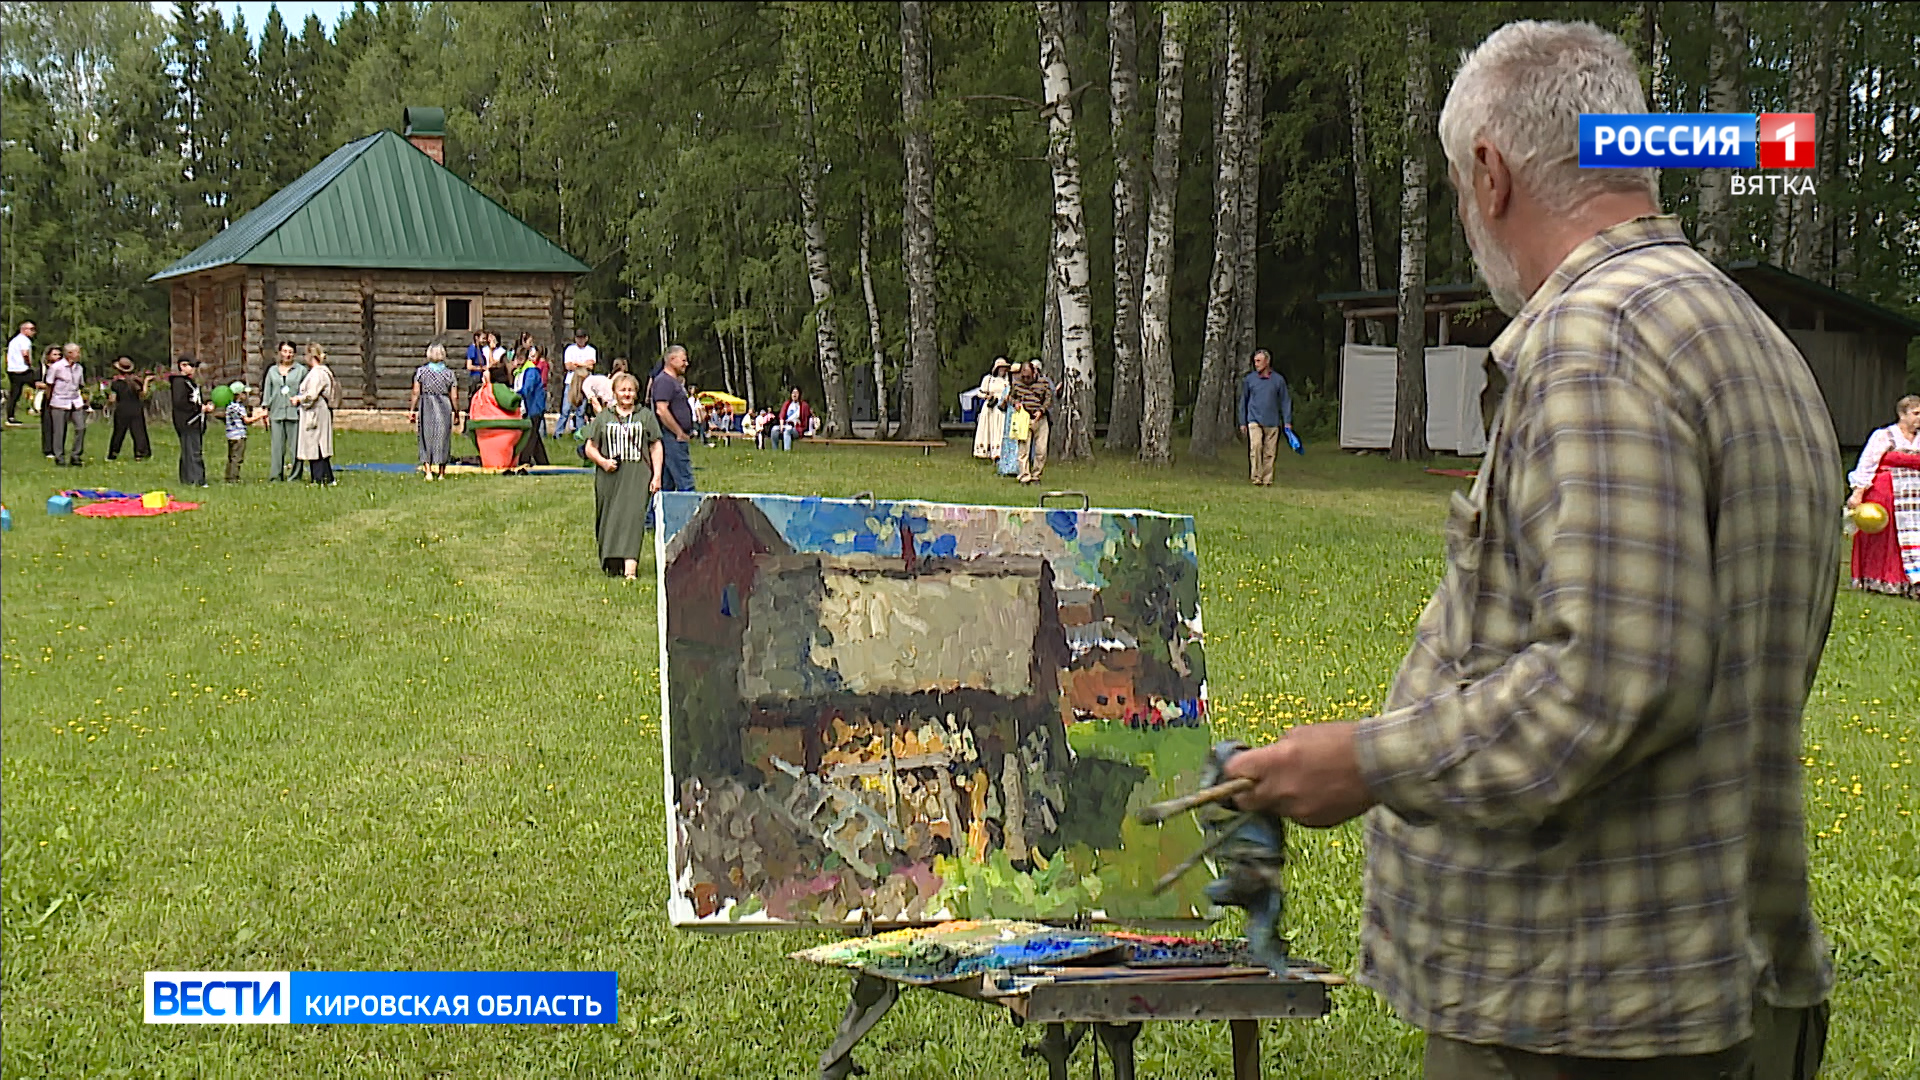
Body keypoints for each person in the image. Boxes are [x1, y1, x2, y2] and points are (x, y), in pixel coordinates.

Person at [1222, 22, 1839, 1080]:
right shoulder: (1743, 333)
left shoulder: (1594, 339)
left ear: (1490, 175)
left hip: (1584, 1015)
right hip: (1722, 983)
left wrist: (1364, 760)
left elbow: (1614, 678)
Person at [583, 372, 665, 579]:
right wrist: (603, 462)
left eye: (630, 390)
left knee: (633, 519)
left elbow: (655, 445)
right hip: (609, 477)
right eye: (623, 390)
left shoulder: (645, 416)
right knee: (610, 517)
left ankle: (630, 569)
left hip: (638, 474)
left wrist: (657, 476)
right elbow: (590, 447)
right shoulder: (604, 417)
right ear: (615, 393)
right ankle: (611, 561)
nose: (627, 394)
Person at [1845, 395, 1920, 599]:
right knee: (1886, 537)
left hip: (1915, 498)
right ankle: (1881, 579)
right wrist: (1858, 492)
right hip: (1887, 493)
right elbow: (1867, 464)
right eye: (1915, 413)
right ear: (1902, 414)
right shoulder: (1884, 436)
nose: (1919, 418)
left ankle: (1913, 582)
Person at [1237, 349, 1294, 487]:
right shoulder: (1250, 379)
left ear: (1267, 362)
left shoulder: (1278, 380)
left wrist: (1287, 421)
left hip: (1272, 421)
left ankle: (1267, 479)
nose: (1256, 364)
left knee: (1270, 452)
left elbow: (1285, 401)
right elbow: (1243, 401)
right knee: (1256, 446)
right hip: (1254, 418)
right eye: (1255, 361)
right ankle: (1256, 477)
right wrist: (1242, 421)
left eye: (1258, 361)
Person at [409, 344, 460, 480]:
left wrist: (412, 410)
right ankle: (442, 472)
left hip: (427, 405)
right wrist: (456, 412)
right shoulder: (449, 374)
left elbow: (416, 392)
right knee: (443, 438)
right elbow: (454, 396)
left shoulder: (421, 372)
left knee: (426, 437)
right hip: (444, 405)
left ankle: (428, 471)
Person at [650, 345, 696, 494]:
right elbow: (661, 410)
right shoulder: (665, 381)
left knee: (666, 483)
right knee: (685, 481)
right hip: (671, 438)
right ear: (671, 359)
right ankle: (690, 514)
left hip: (673, 438)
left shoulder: (672, 381)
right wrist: (678, 432)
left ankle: (656, 516)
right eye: (683, 360)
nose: (686, 364)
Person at [291, 343, 338, 485]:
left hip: (316, 411)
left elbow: (312, 394)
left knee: (316, 444)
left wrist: (298, 399)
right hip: (316, 410)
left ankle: (319, 478)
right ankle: (326, 477)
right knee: (317, 443)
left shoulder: (318, 373)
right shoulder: (320, 372)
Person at [170, 355, 213, 486]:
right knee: (193, 451)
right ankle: (197, 479)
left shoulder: (190, 382)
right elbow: (180, 402)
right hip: (187, 421)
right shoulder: (179, 383)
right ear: (182, 366)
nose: (194, 369)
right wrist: (200, 408)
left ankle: (187, 478)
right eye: (191, 366)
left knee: (189, 450)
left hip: (195, 420)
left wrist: (205, 404)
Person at [1009, 360, 1053, 484]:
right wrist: (1015, 403)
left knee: (1041, 449)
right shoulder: (1017, 384)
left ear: (1034, 373)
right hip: (1024, 417)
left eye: (1028, 376)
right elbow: (1011, 397)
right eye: (1023, 376)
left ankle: (1036, 475)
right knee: (1023, 449)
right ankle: (1024, 475)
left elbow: (1048, 399)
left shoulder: (1043, 383)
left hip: (1040, 418)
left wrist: (1041, 411)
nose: (1026, 379)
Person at [46, 342, 88, 467]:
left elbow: (81, 384)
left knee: (81, 427)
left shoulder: (79, 368)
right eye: (77, 352)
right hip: (59, 401)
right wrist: (49, 401)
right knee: (59, 430)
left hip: (75, 401)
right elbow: (49, 384)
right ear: (70, 354)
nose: (79, 355)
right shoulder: (56, 367)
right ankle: (59, 457)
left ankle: (76, 455)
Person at [107, 358, 152, 461]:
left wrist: (107, 403)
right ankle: (140, 453)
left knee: (118, 432)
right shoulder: (136, 381)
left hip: (122, 409)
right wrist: (146, 382)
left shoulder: (116, 383)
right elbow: (143, 394)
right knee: (138, 431)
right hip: (136, 408)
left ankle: (113, 453)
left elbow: (112, 399)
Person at [514, 344, 550, 466]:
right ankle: (542, 461)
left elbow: (527, 389)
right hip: (529, 408)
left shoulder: (531, 371)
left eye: (520, 359)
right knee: (535, 437)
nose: (517, 362)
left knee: (529, 435)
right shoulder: (521, 372)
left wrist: (514, 396)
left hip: (534, 408)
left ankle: (524, 460)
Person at [558, 328, 597, 437]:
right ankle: (558, 433)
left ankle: (579, 434)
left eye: (582, 338)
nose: (580, 340)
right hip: (570, 382)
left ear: (586, 338)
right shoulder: (570, 349)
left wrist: (577, 364)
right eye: (578, 338)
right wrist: (583, 364)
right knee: (565, 409)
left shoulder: (591, 350)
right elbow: (568, 366)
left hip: (585, 383)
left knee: (581, 411)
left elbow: (591, 366)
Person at [973, 358, 1011, 459]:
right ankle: (984, 451)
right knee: (987, 428)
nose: (1003, 370)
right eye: (1001, 368)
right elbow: (980, 392)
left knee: (999, 428)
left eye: (1004, 368)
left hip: (1001, 408)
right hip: (990, 407)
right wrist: (988, 396)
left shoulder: (1007, 381)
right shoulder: (988, 379)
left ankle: (997, 452)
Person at [222, 382, 256, 483]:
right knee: (237, 458)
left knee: (231, 457)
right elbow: (247, 421)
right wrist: (261, 415)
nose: (245, 395)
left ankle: (228, 476)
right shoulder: (239, 407)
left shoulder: (229, 406)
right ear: (239, 395)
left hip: (230, 435)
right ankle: (233, 478)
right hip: (239, 436)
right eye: (244, 393)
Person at [5, 319, 33, 426]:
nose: (33, 332)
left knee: (15, 394)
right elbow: (25, 353)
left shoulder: (13, 340)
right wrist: (29, 364)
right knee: (41, 384)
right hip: (22, 369)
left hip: (12, 370)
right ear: (24, 329)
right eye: (31, 329)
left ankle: (10, 417)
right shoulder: (25, 340)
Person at [36, 345, 62, 459]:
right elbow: (37, 383)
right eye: (55, 354)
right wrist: (49, 386)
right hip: (47, 398)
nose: (57, 357)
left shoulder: (64, 368)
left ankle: (58, 448)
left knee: (59, 424)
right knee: (47, 424)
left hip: (61, 398)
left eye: (59, 355)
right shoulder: (42, 369)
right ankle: (48, 449)